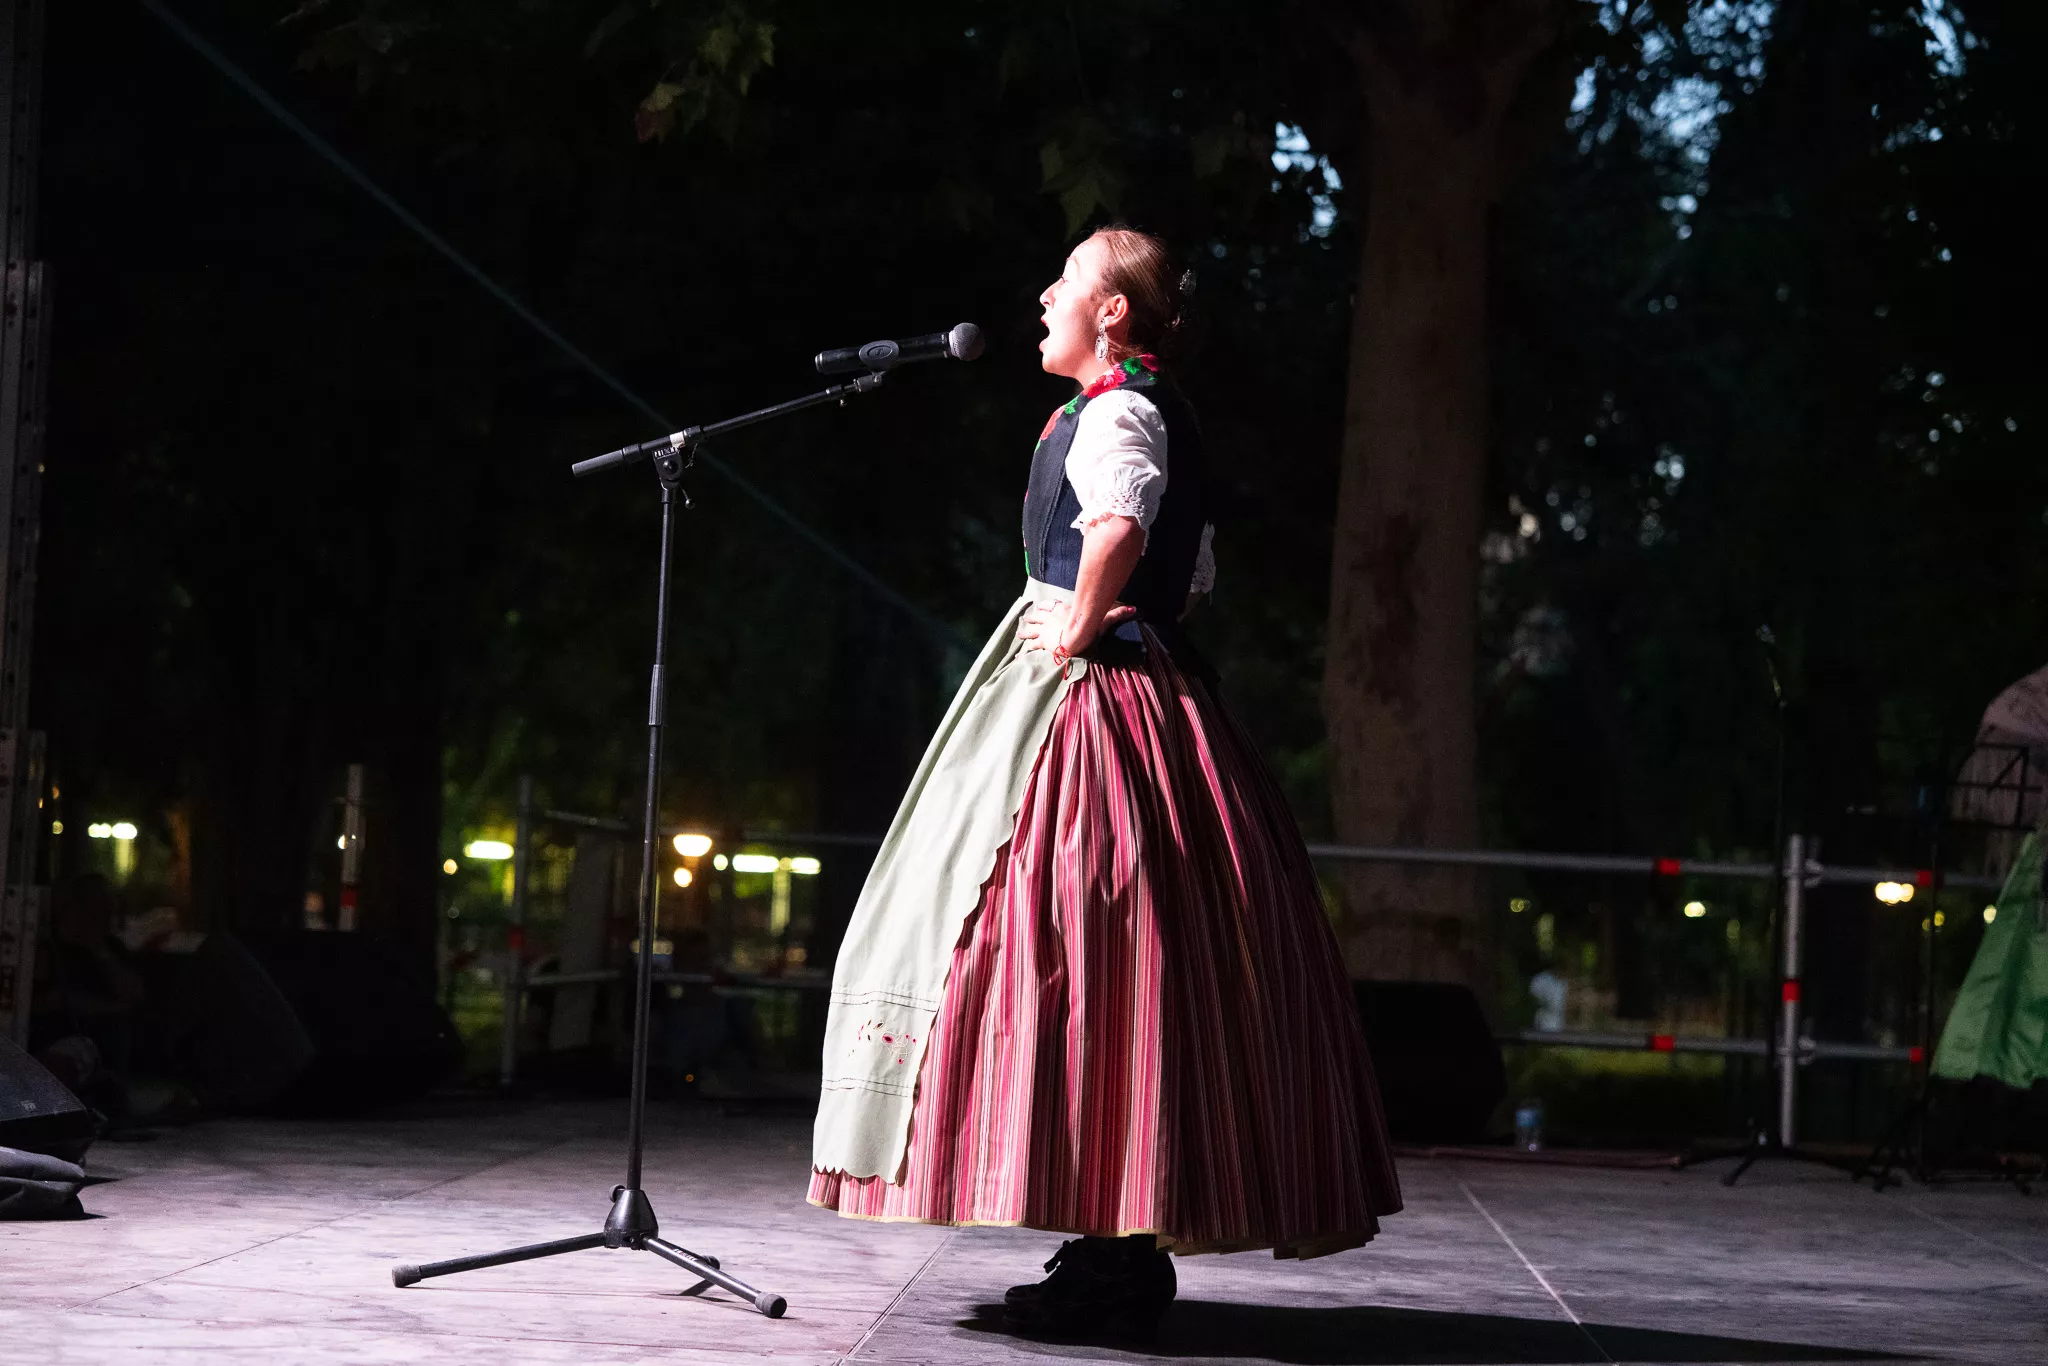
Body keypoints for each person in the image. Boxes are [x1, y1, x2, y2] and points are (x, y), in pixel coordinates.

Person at [808, 226, 1401, 1336]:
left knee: (1081, 945)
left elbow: (1123, 526)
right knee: (1120, 964)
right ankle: (1108, 1239)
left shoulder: (1120, 408)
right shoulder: (1130, 407)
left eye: (1067, 279)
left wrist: (1075, 622)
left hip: (1093, 696)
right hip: (1140, 683)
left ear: (1113, 311)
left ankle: (1119, 1254)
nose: (1044, 293)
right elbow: (1195, 569)